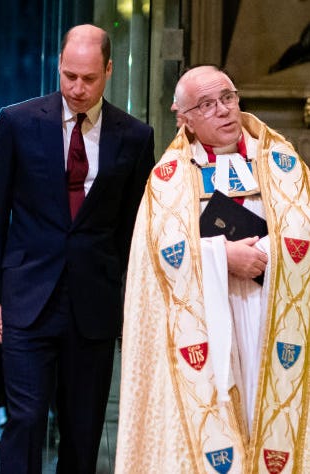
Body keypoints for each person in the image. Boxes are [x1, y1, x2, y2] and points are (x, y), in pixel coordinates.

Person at [115, 65, 310, 473]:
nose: (223, 110)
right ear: (182, 116)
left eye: (228, 97)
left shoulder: (282, 163)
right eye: (206, 104)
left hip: (270, 310)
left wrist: (267, 254)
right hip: (206, 319)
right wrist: (222, 258)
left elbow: (302, 228)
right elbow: (154, 261)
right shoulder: (168, 182)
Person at [0, 23, 154, 474]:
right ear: (58, 65)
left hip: (93, 305)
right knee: (26, 421)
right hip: (25, 298)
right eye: (69, 75)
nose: (77, 88)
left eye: (89, 78)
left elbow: (134, 229)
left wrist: (124, 303)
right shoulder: (16, 122)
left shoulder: (135, 137)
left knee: (83, 430)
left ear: (109, 70)